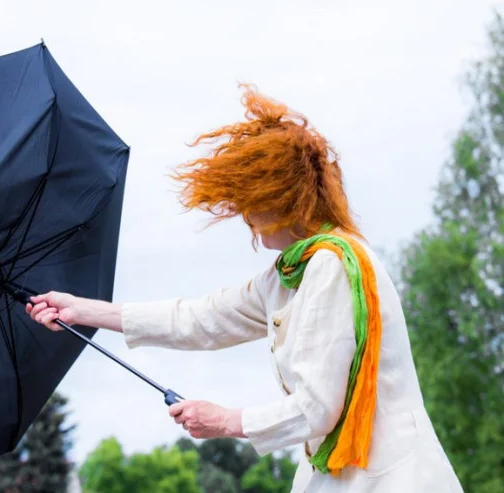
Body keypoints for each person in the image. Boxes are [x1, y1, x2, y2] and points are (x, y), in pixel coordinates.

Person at [25, 86, 463, 492]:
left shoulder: (331, 266)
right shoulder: (290, 274)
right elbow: (198, 319)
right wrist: (82, 310)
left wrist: (227, 421)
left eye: (249, 199)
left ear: (282, 196)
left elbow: (316, 408)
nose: (243, 214)